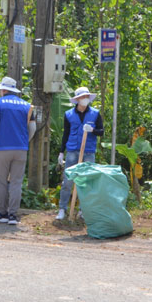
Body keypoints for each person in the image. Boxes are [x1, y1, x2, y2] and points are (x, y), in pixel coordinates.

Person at [0, 76, 36, 226]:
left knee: (1, 181)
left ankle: (2, 213)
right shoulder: (27, 106)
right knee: (16, 182)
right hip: (20, 149)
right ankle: (13, 215)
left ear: (4, 90)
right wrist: (24, 142)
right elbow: (32, 128)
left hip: (2, 148)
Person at [56, 86, 104, 220]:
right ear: (77, 100)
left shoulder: (95, 114)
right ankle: (62, 209)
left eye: (87, 97)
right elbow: (66, 133)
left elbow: (101, 132)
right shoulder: (69, 114)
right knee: (67, 181)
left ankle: (83, 211)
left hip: (88, 151)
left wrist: (92, 130)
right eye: (83, 97)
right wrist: (61, 152)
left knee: (87, 182)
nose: (85, 99)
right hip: (72, 150)